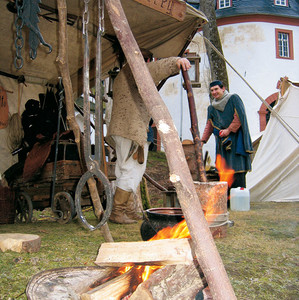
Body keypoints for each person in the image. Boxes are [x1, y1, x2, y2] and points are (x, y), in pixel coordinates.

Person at [106, 52, 191, 224]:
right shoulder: (134, 69)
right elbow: (156, 69)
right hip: (132, 129)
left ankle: (128, 211)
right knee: (132, 169)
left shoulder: (124, 74)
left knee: (124, 169)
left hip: (122, 129)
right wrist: (176, 62)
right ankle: (117, 211)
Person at [201, 80, 253, 192]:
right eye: (212, 90)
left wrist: (229, 130)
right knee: (224, 169)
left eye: (216, 89)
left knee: (237, 168)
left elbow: (239, 116)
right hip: (221, 142)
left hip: (235, 140)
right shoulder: (212, 108)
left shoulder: (233, 99)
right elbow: (209, 125)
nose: (214, 92)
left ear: (223, 88)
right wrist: (202, 141)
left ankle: (238, 196)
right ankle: (227, 200)